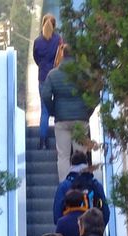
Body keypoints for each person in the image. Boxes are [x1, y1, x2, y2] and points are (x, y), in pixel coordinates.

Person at [39, 44, 96, 180]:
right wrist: (88, 111)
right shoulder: (85, 73)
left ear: (63, 54)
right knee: (80, 154)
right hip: (81, 119)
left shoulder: (53, 74)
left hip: (61, 120)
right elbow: (95, 93)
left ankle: (65, 187)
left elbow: (45, 95)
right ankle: (81, 184)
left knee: (63, 155)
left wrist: (53, 110)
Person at [52, 151, 111, 230]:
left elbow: (57, 215)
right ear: (86, 164)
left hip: (70, 231)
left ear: (71, 164)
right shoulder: (95, 185)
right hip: (92, 230)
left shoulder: (63, 186)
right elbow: (105, 211)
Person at [33, 12, 62, 150]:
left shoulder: (37, 42)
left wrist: (43, 66)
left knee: (44, 111)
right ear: (54, 25)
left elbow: (36, 58)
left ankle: (42, 142)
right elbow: (62, 57)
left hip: (43, 77)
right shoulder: (58, 40)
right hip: (56, 77)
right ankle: (60, 142)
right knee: (58, 108)